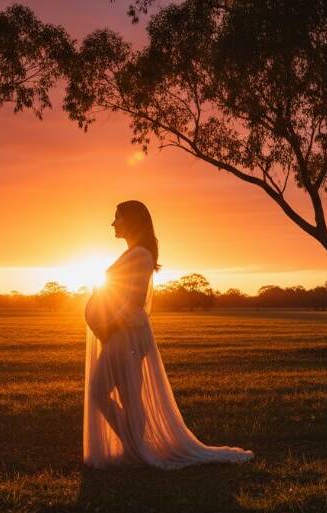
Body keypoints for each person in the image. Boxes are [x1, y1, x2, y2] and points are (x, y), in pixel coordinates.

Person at [83, 200, 253, 469]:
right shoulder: (135, 253)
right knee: (127, 393)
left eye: (117, 217)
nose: (113, 223)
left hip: (126, 333)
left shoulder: (140, 255)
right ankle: (134, 447)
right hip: (123, 332)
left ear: (132, 220)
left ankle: (135, 448)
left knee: (103, 392)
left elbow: (133, 300)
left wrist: (109, 324)